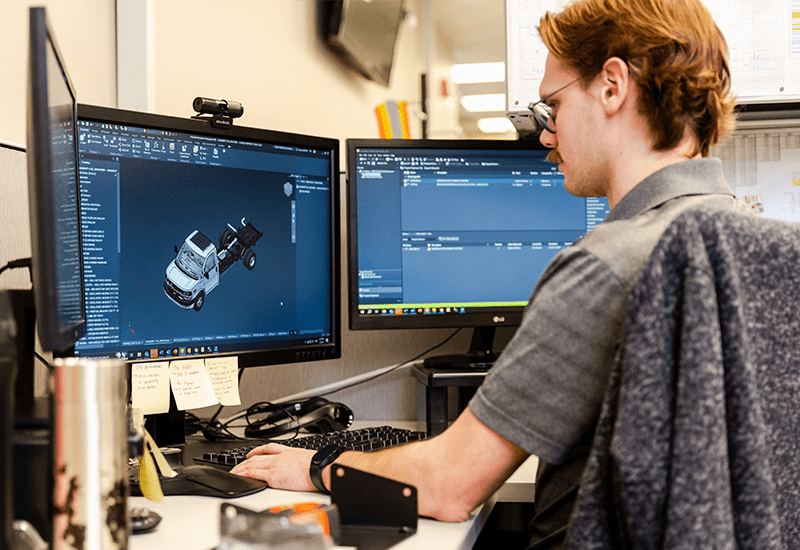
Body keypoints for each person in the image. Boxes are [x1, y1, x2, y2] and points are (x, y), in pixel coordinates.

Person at [231, 0, 752, 546]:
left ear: (612, 86)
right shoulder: (757, 245)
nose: (546, 138)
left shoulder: (607, 264)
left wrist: (314, 468)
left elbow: (451, 487)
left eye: (553, 107)